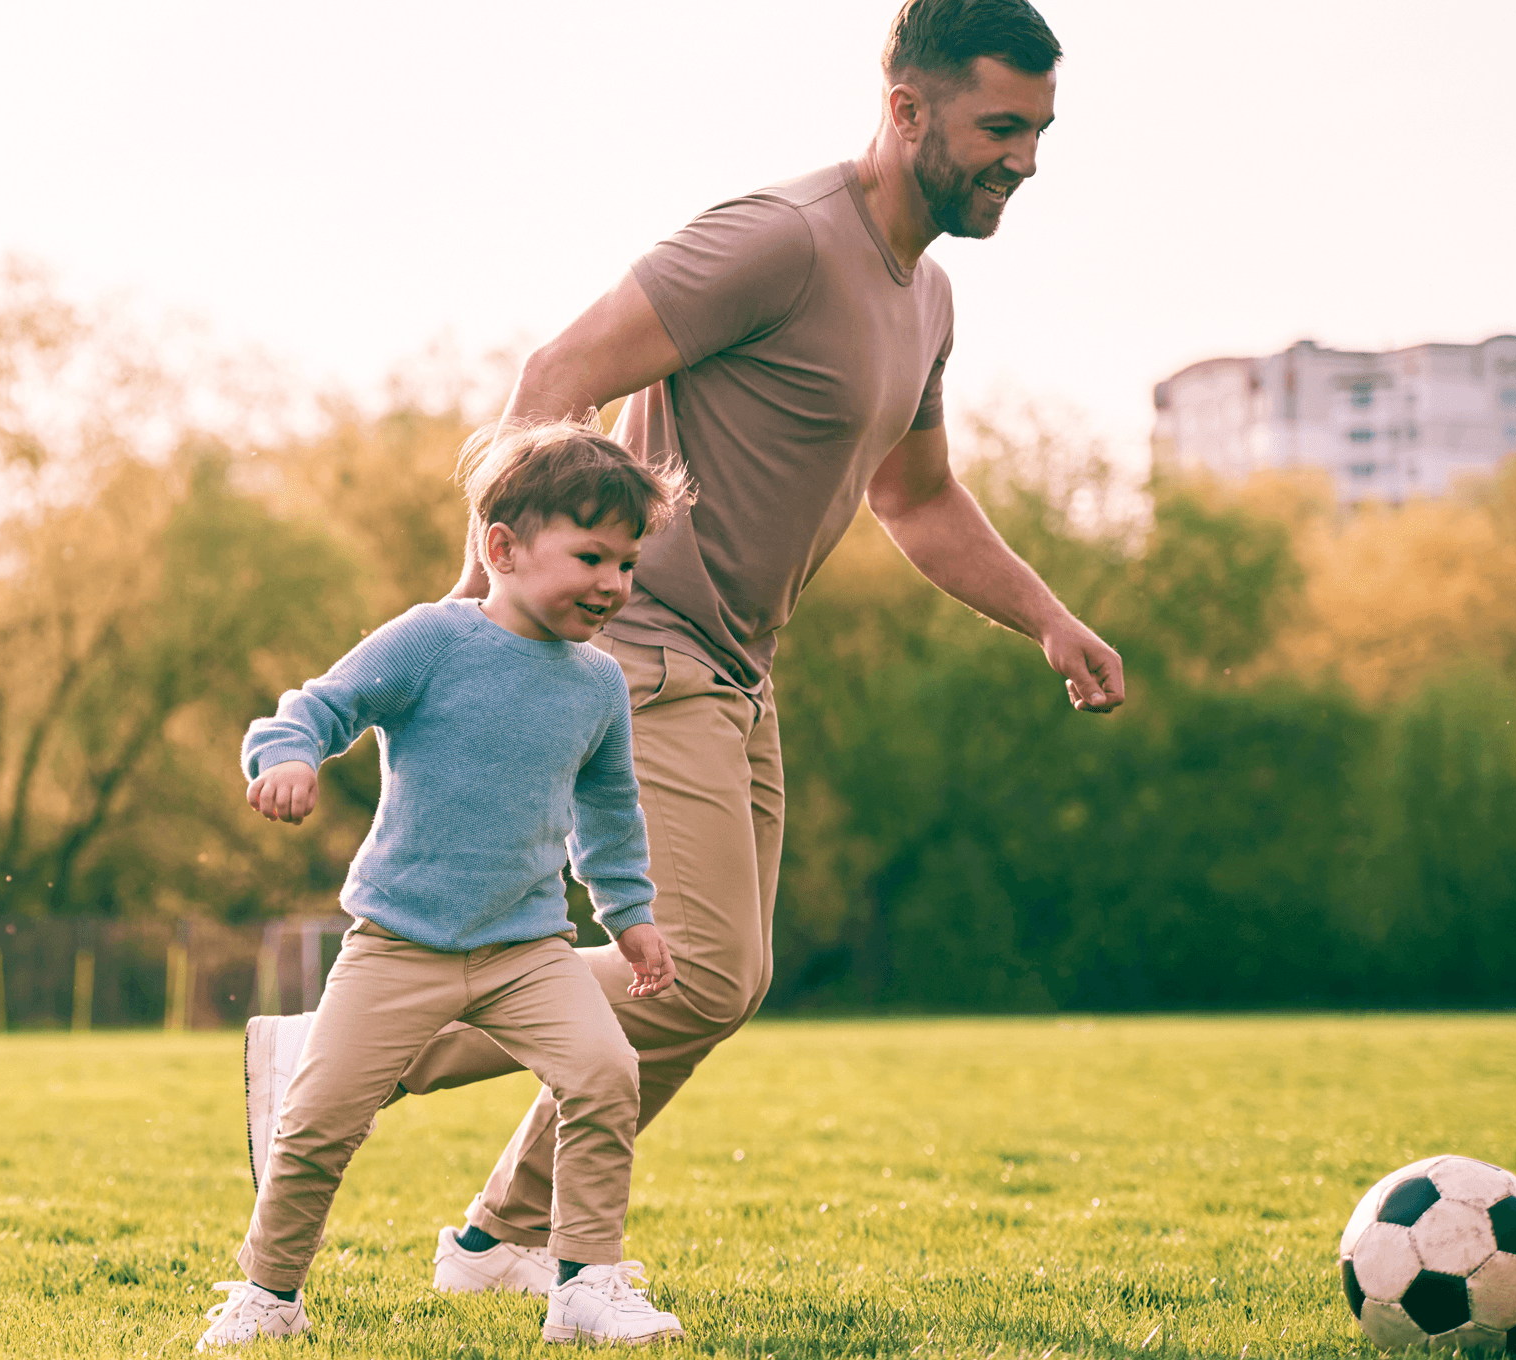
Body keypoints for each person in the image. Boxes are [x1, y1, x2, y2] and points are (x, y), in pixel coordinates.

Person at [240, 0, 1128, 1298]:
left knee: (721, 982)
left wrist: (1050, 617)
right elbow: (562, 369)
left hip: (737, 671)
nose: (1025, 159)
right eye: (1002, 125)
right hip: (635, 644)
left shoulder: (925, 298)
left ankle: (502, 1236)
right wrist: (506, 603)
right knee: (701, 972)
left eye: (1040, 131)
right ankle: (330, 1062)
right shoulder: (777, 241)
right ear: (907, 110)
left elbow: (918, 498)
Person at [197, 422, 691, 1349]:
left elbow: (611, 811)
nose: (613, 585)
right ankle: (269, 1297)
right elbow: (318, 705)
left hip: (527, 951)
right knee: (315, 1124)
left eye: (628, 565)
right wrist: (291, 756)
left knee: (605, 1073)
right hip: (397, 947)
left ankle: (584, 1283)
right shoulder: (433, 640)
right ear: (501, 547)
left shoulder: (597, 683)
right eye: (591, 556)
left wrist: (631, 918)